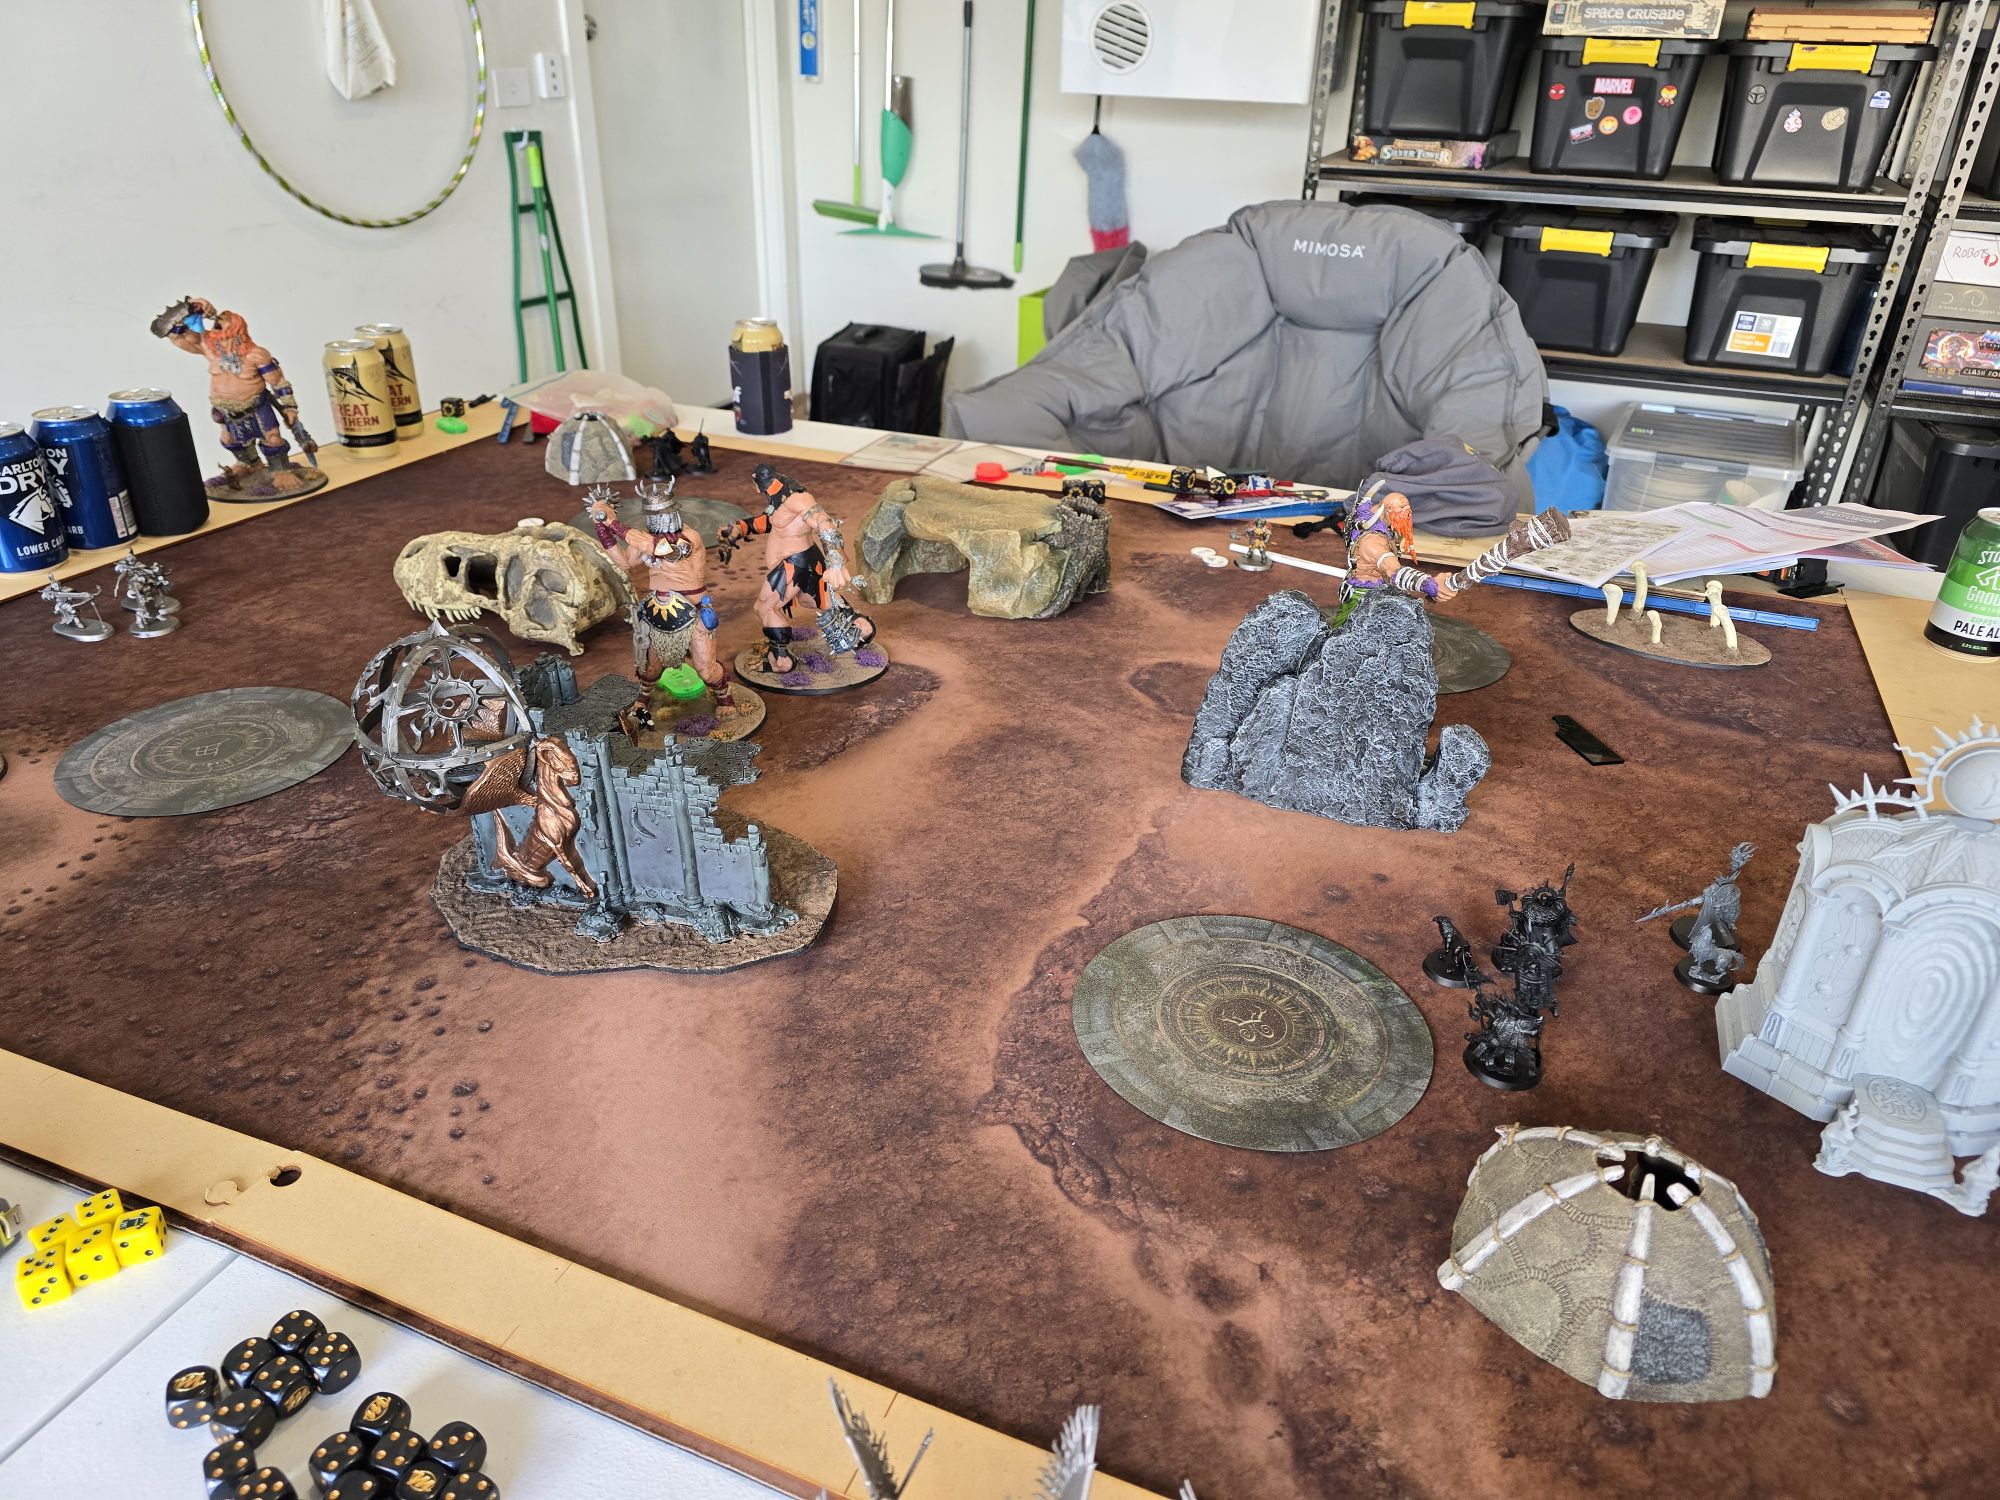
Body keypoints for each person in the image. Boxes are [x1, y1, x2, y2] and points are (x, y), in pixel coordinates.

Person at [588, 480, 738, 716]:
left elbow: (659, 548)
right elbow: (624, 561)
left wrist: (611, 521)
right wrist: (602, 528)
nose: (659, 519)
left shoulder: (689, 538)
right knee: (649, 669)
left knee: (706, 670)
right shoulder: (647, 538)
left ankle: (724, 696)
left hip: (693, 612)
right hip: (658, 612)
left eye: (663, 513)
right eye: (654, 515)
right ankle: (644, 695)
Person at [716, 464, 875, 674]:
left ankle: (781, 660)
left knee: (765, 607)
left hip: (794, 563)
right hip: (803, 561)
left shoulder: (798, 498)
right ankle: (862, 628)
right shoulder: (778, 497)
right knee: (815, 601)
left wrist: (836, 561)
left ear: (759, 483)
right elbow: (771, 521)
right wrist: (740, 528)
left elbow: (823, 521)